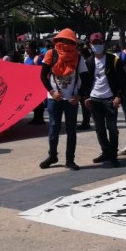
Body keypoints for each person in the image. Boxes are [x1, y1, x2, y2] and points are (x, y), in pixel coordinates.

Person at [39, 29, 91, 171]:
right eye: (63, 41)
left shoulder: (78, 58)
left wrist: (79, 96)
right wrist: (51, 91)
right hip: (54, 99)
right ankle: (52, 155)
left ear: (74, 43)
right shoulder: (51, 54)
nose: (65, 44)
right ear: (57, 41)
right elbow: (43, 75)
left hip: (71, 100)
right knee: (53, 128)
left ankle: (70, 160)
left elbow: (86, 78)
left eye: (69, 41)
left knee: (71, 130)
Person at [84, 33, 126, 167]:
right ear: (90, 45)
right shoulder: (88, 62)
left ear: (104, 44)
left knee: (112, 128)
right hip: (95, 99)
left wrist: (118, 96)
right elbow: (85, 82)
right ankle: (105, 151)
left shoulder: (114, 60)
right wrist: (86, 97)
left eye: (99, 43)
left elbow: (121, 81)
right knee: (99, 128)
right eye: (94, 43)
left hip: (110, 99)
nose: (97, 45)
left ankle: (113, 155)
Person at [24, 41, 45, 125]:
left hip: (37, 82)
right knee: (33, 101)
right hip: (29, 83)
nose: (26, 49)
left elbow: (42, 70)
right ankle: (36, 118)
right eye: (26, 48)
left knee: (39, 101)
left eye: (28, 48)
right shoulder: (26, 59)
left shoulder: (37, 58)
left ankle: (40, 118)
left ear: (33, 49)